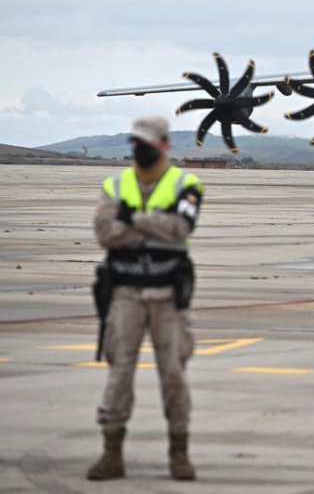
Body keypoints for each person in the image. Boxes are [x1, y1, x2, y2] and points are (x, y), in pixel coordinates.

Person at [87, 115, 203, 481]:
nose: (140, 150)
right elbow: (106, 233)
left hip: (167, 294)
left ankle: (179, 452)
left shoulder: (186, 183)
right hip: (125, 293)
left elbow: (179, 229)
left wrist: (132, 219)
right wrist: (154, 221)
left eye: (147, 144)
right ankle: (111, 453)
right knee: (119, 371)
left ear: (164, 145)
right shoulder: (115, 183)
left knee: (172, 373)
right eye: (135, 143)